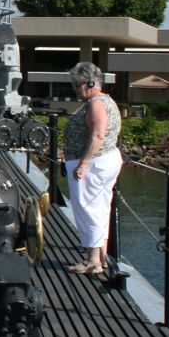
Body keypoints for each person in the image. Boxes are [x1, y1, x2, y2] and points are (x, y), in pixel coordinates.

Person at [62, 62, 123, 276]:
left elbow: (97, 135)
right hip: (106, 160)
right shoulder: (107, 101)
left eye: (77, 85)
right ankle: (101, 256)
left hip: (94, 164)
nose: (75, 89)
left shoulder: (96, 103)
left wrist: (83, 164)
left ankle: (93, 260)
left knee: (88, 210)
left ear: (89, 83)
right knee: (100, 208)